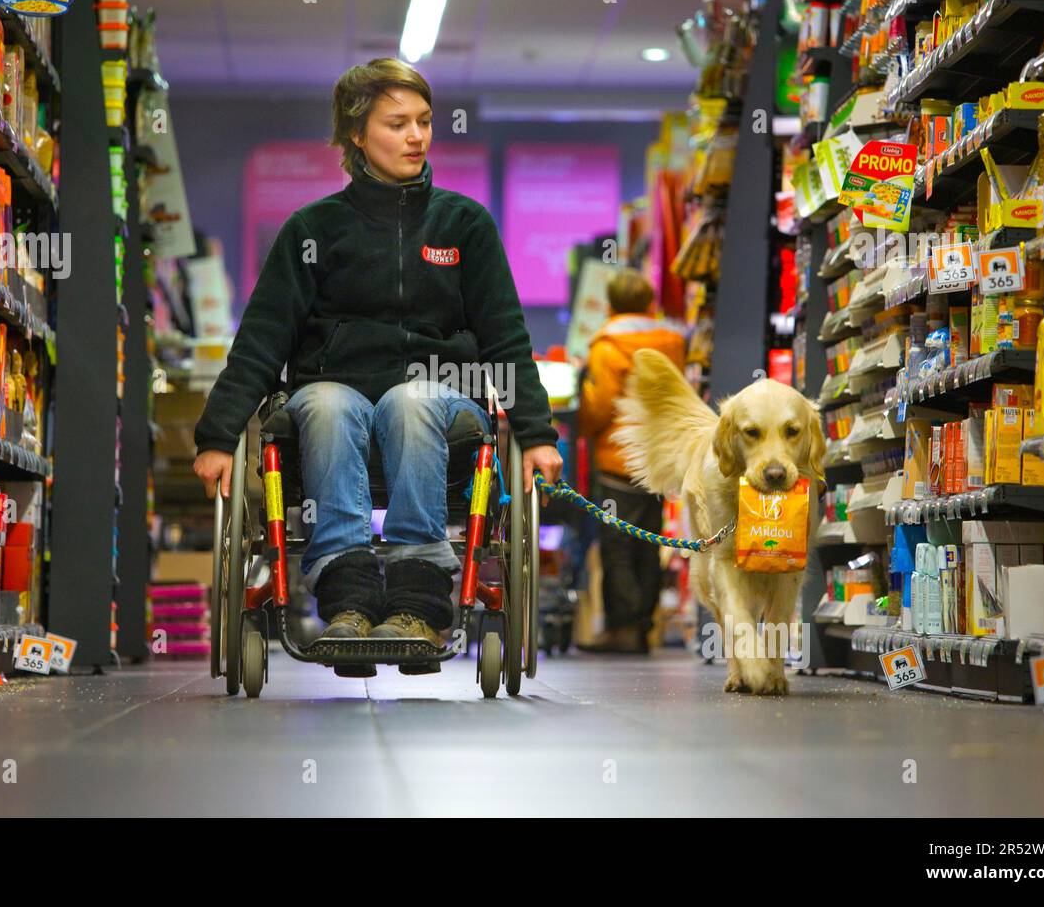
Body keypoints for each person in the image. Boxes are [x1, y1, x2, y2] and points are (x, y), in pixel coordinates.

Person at [192, 58, 562, 649]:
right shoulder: (313, 229)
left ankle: (417, 598)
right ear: (357, 135)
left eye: (423, 121)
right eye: (397, 124)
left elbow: (505, 338)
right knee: (330, 406)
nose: (415, 136)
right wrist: (217, 437)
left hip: (439, 402)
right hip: (331, 394)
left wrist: (536, 433)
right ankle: (349, 597)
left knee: (409, 400)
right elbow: (262, 339)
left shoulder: (465, 225)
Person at [576, 269, 685, 654]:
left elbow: (600, 406)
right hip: (658, 458)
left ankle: (623, 626)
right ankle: (643, 625)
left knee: (617, 545)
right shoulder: (673, 342)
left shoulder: (606, 347)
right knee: (648, 545)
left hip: (617, 458)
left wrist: (582, 422)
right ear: (648, 303)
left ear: (611, 303)